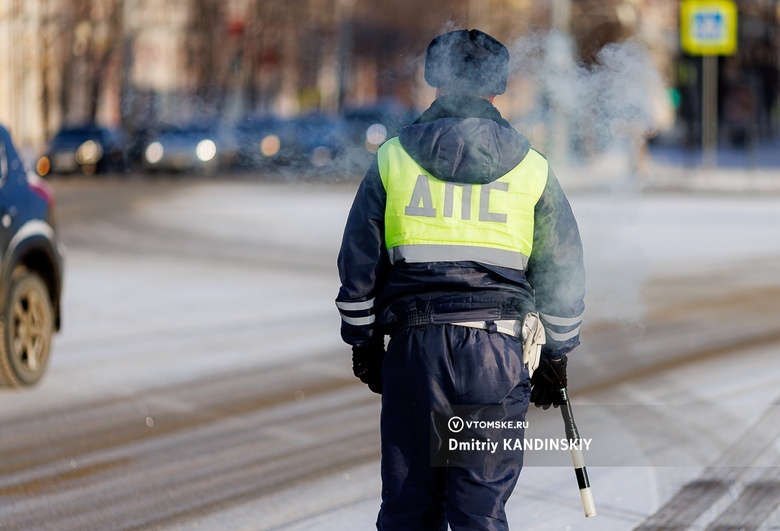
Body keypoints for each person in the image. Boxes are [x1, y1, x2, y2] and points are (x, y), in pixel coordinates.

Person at [335, 28, 585, 531]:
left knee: (408, 512)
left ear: (436, 82)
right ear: (498, 89)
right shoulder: (532, 169)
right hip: (495, 357)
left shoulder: (393, 159)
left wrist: (364, 345)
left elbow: (357, 264)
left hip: (413, 354)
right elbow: (563, 270)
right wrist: (555, 355)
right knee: (478, 514)